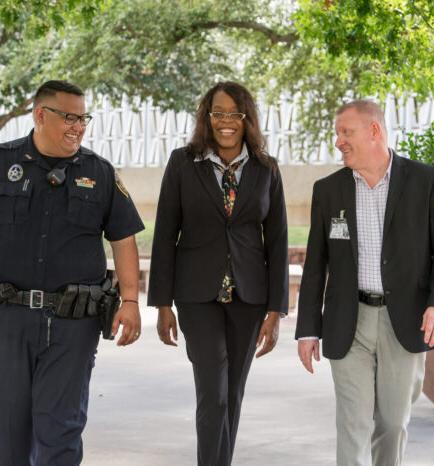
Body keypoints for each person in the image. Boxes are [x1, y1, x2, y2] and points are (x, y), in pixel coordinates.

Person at [0, 80, 144, 465]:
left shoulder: (100, 171)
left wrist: (130, 300)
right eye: (69, 117)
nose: (78, 126)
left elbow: (124, 238)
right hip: (7, 318)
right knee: (7, 424)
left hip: (73, 324)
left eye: (83, 118)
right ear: (41, 115)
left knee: (61, 427)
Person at [295, 100, 434, 466]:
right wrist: (307, 329)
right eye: (337, 133)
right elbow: (316, 265)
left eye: (346, 132)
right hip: (347, 320)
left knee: (391, 422)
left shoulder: (425, 181)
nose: (338, 141)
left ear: (374, 131)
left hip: (403, 319)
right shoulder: (328, 190)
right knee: (352, 422)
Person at [148, 81, 289, 466]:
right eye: (218, 113)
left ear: (247, 119)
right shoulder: (182, 163)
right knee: (213, 390)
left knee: (234, 391)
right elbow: (164, 235)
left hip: (249, 297)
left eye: (234, 114)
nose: (226, 122)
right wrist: (162, 304)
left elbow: (277, 243)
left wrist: (275, 313)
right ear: (207, 118)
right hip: (196, 296)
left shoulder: (266, 169)